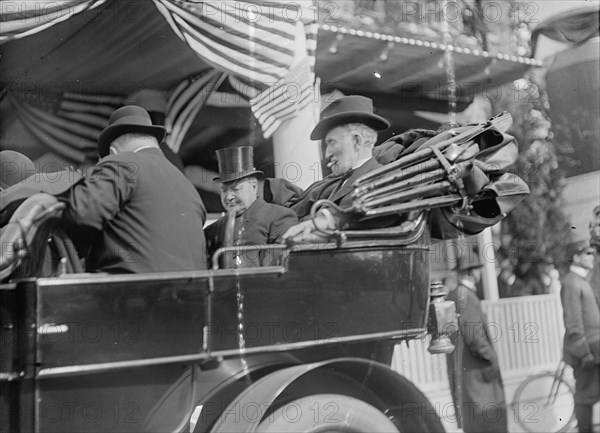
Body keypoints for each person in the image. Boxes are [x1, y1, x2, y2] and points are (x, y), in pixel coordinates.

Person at [63, 105, 208, 273]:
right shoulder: (186, 185)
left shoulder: (121, 162)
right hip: (191, 292)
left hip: (133, 293)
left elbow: (81, 212)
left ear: (112, 151)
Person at [282, 95, 390, 243]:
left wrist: (326, 220)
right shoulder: (341, 181)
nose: (327, 154)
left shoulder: (385, 179)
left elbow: (379, 210)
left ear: (357, 140)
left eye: (332, 142)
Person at [205, 146, 298, 267]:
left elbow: (281, 269)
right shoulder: (213, 230)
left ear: (254, 186)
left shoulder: (280, 217)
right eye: (223, 190)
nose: (228, 197)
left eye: (235, 189)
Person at [446, 251, 507, 433]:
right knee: (489, 422)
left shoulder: (455, 294)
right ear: (472, 273)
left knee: (475, 422)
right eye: (478, 270)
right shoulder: (467, 297)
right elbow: (475, 338)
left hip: (467, 372)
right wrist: (492, 358)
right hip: (478, 374)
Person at [560, 240, 599, 433]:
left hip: (594, 351)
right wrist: (584, 354)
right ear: (576, 258)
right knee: (585, 398)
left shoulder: (582, 281)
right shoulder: (571, 283)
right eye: (588, 253)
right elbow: (573, 324)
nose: (592, 257)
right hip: (585, 355)